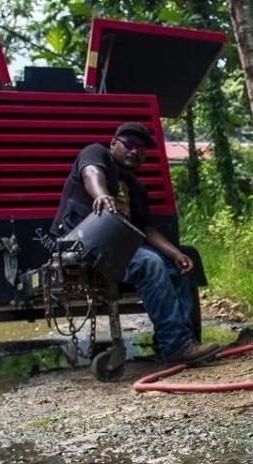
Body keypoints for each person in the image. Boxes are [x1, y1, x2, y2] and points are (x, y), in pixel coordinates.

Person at [52, 122, 220, 366]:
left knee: (178, 268)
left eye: (142, 149)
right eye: (129, 144)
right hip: (84, 246)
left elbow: (147, 230)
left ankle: (184, 342)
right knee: (149, 263)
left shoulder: (136, 187)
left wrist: (175, 254)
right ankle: (177, 346)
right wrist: (100, 194)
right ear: (113, 144)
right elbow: (91, 173)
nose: (135, 151)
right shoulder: (96, 154)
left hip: (121, 249)